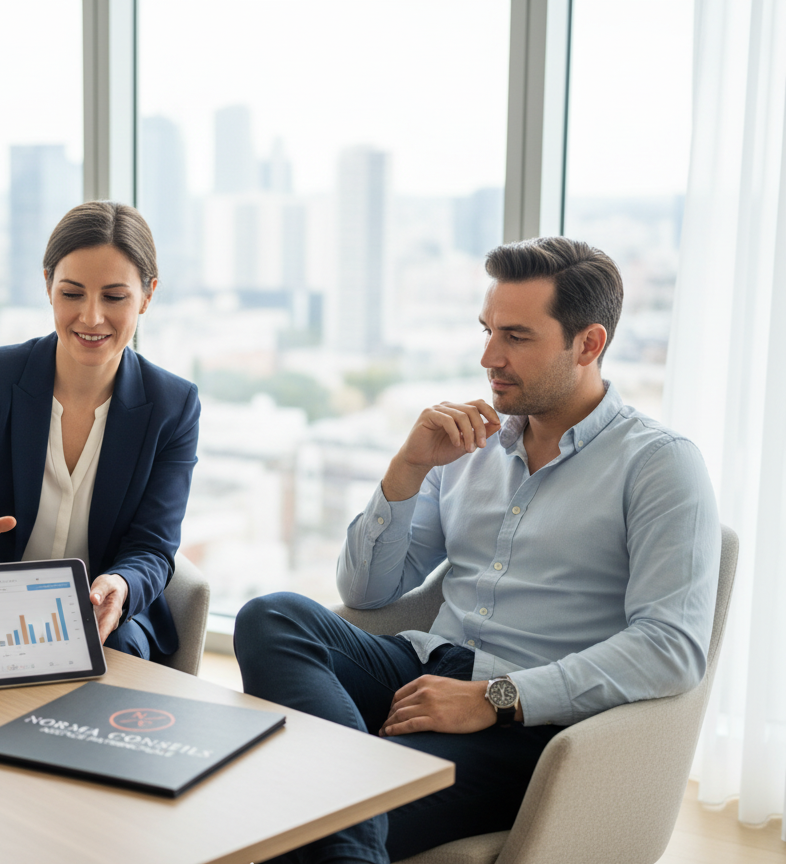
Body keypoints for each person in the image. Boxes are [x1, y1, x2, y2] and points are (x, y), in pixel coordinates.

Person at [234, 237, 720, 863]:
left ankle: (340, 800)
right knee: (271, 616)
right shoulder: (468, 445)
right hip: (422, 670)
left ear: (588, 344)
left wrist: (496, 699)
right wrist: (407, 467)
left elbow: (671, 648)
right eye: (487, 330)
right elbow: (367, 592)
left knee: (286, 808)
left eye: (516, 337)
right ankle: (348, 787)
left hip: (530, 728)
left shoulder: (658, 465)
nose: (489, 356)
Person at [0, 201, 200, 661]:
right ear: (48, 286)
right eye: (72, 293)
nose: (92, 317)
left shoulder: (173, 407)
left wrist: (119, 585)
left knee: (114, 653)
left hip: (99, 621)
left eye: (115, 297)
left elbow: (153, 548)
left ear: (147, 295)